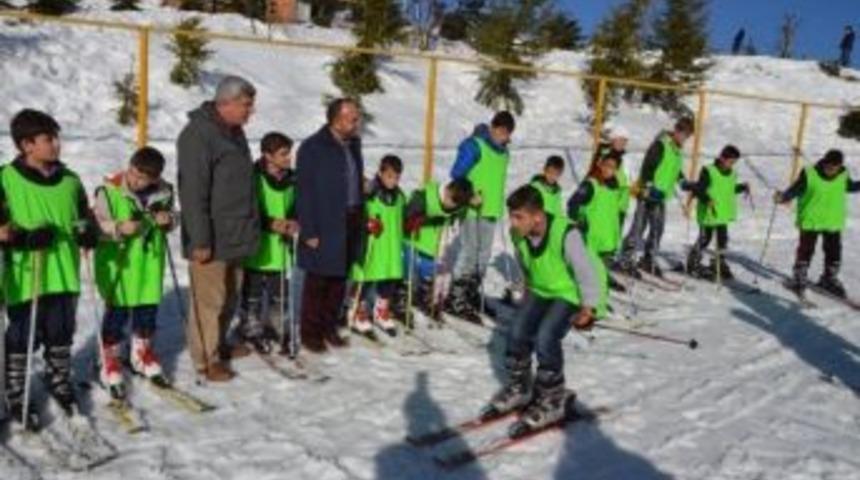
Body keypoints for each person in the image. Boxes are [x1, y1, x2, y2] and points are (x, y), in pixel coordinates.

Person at [0, 109, 99, 428]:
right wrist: (23, 237)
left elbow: (83, 216)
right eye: (48, 139)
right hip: (26, 275)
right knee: (21, 335)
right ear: (26, 145)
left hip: (63, 272)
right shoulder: (5, 178)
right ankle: (15, 389)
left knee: (61, 331)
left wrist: (88, 231)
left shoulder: (70, 179)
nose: (56, 144)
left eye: (56, 138)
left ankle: (59, 378)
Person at [482, 185, 606, 435]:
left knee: (546, 336)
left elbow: (585, 271)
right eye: (512, 216)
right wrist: (527, 284)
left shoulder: (565, 233)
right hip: (540, 289)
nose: (513, 223)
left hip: (568, 293)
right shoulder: (518, 234)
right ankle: (520, 387)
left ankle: (553, 397)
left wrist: (589, 307)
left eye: (519, 217)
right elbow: (524, 259)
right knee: (517, 331)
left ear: (537, 216)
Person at [177, 75, 260, 382]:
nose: (250, 111)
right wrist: (199, 239)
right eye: (246, 105)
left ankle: (220, 343)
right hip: (211, 236)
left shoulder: (234, 132)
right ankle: (205, 359)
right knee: (209, 300)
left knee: (229, 295)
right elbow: (192, 192)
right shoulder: (197, 135)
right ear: (225, 103)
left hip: (236, 233)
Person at [93, 147, 176, 396]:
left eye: (144, 179)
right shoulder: (109, 191)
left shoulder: (165, 191)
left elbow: (173, 217)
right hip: (120, 262)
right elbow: (96, 225)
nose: (137, 181)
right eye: (134, 174)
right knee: (117, 312)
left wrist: (168, 221)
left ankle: (142, 353)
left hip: (149, 262)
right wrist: (118, 227)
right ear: (130, 166)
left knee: (147, 309)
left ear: (155, 178)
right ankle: (109, 357)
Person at [296, 98, 365, 353]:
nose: (357, 123)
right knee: (318, 280)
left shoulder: (353, 144)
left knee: (339, 279)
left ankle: (329, 327)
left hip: (351, 218)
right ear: (336, 120)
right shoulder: (313, 147)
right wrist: (309, 230)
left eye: (357, 118)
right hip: (325, 221)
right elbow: (304, 191)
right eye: (353, 119)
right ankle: (310, 332)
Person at [444, 111, 515, 322]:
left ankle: (470, 293)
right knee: (469, 252)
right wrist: (469, 195)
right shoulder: (475, 146)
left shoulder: (504, 153)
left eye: (507, 133)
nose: (503, 136)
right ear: (492, 127)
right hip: (472, 208)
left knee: (483, 255)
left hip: (490, 210)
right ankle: (455, 298)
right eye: (500, 131)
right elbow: (456, 173)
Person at [239, 132, 298, 354]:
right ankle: (250, 324)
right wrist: (270, 223)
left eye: (289, 153)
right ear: (268, 155)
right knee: (253, 289)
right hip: (257, 242)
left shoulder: (293, 178)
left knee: (278, 290)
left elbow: (298, 205)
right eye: (283, 154)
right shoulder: (253, 177)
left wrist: (294, 221)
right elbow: (247, 209)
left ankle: (277, 323)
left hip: (280, 245)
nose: (288, 158)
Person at [776, 150, 860, 297]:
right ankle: (799, 278)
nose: (831, 169)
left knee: (834, 251)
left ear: (840, 166)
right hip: (811, 219)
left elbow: (850, 187)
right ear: (824, 162)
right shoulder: (810, 174)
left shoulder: (843, 174)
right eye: (829, 166)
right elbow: (796, 189)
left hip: (832, 220)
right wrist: (784, 197)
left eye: (835, 167)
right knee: (806, 250)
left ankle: (829, 278)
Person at [618, 117, 695, 277]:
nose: (684, 138)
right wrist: (648, 185)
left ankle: (648, 259)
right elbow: (648, 165)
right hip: (648, 192)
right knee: (639, 227)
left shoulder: (676, 150)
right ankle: (625, 258)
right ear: (676, 130)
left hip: (660, 196)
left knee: (657, 229)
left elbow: (674, 169)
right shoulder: (661, 144)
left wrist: (682, 181)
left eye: (687, 135)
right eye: (683, 133)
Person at [348, 155, 407, 337]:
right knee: (366, 278)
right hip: (372, 244)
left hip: (391, 245)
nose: (393, 181)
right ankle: (357, 310)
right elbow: (355, 215)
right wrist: (366, 223)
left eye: (397, 177)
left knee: (389, 279)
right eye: (389, 176)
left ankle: (381, 311)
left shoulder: (399, 196)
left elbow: (402, 216)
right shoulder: (369, 194)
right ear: (380, 173)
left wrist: (411, 223)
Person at [403, 178, 475, 317]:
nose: (453, 206)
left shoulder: (457, 204)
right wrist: (411, 221)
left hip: (431, 244)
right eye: (452, 202)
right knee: (408, 270)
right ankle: (400, 296)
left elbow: (461, 209)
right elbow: (405, 216)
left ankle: (424, 296)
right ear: (447, 191)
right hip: (412, 240)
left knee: (428, 272)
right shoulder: (424, 197)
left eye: (457, 205)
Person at [681, 145, 750, 280]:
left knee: (722, 240)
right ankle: (693, 263)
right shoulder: (709, 171)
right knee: (705, 239)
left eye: (734, 162)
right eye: (730, 161)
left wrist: (742, 187)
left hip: (722, 214)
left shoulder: (732, 174)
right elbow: (699, 189)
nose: (731, 165)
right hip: (708, 213)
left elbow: (728, 189)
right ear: (722, 158)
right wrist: (707, 200)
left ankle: (718, 263)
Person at [568, 150, 626, 291]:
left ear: (616, 170)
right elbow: (573, 204)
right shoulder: (591, 184)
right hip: (591, 239)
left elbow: (613, 213)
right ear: (600, 165)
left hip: (607, 239)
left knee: (600, 272)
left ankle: (601, 285)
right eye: (606, 165)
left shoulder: (615, 188)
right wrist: (580, 221)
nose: (608, 169)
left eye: (612, 167)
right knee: (588, 274)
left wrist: (617, 232)